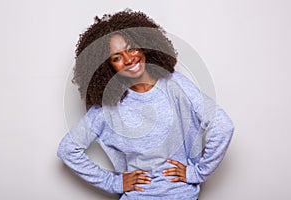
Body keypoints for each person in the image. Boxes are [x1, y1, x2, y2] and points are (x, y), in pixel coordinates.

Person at [57, 9, 234, 200]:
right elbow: (67, 150)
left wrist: (197, 173)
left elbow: (223, 125)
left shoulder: (175, 84)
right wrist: (113, 182)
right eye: (116, 58)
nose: (129, 59)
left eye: (131, 48)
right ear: (107, 66)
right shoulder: (106, 107)